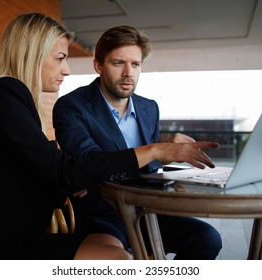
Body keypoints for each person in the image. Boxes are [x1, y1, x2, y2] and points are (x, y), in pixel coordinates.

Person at [0, 14, 218, 260]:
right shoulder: (2, 94)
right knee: (118, 260)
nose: (66, 69)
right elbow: (62, 171)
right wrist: (155, 151)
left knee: (120, 249)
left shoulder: (12, 99)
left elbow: (38, 172)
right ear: (31, 55)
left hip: (9, 234)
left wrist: (68, 180)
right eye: (60, 58)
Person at [52, 25, 222, 259]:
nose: (128, 73)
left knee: (207, 239)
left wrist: (167, 149)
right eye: (118, 63)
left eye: (135, 64)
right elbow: (89, 163)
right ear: (98, 66)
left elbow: (150, 166)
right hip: (102, 214)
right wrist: (157, 149)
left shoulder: (149, 107)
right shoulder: (72, 106)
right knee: (121, 259)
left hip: (147, 211)